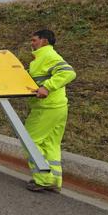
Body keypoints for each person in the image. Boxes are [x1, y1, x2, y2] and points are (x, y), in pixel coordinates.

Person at [25, 29, 76, 192]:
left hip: (46, 108)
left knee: (30, 141)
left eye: (34, 40)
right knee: (51, 144)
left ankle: (43, 179)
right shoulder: (40, 58)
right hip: (59, 107)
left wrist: (47, 87)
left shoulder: (48, 56)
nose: (31, 43)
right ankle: (54, 180)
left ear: (44, 41)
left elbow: (68, 72)